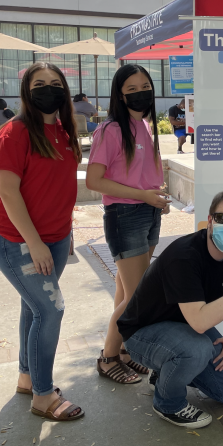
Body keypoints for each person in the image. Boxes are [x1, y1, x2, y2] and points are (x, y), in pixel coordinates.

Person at [118, 191, 223, 428]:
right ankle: (168, 403)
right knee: (197, 349)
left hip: (185, 330)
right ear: (210, 220)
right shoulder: (184, 255)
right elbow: (200, 323)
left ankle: (165, 373)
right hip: (142, 334)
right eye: (222, 218)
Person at [0, 62, 84, 422]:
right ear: (27, 91)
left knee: (34, 308)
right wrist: (36, 243)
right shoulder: (14, 133)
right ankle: (43, 396)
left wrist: (66, 231)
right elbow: (9, 194)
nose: (48, 89)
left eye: (55, 84)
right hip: (18, 241)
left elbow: (57, 187)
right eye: (39, 84)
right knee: (50, 309)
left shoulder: (62, 129)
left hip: (56, 238)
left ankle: (27, 378)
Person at [86, 64, 168, 386]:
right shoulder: (111, 130)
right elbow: (94, 181)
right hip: (125, 216)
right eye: (131, 89)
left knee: (125, 289)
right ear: (119, 95)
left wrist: (154, 198)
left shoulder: (145, 126)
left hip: (148, 214)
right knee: (137, 296)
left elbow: (141, 176)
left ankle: (123, 353)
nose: (139, 93)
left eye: (144, 86)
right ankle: (108, 357)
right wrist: (144, 197)